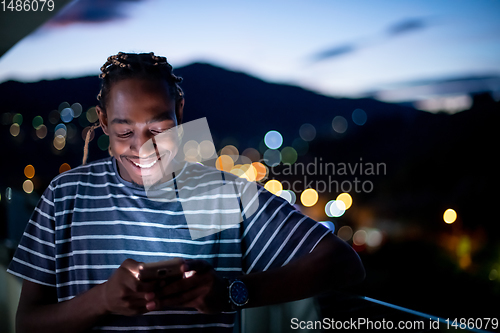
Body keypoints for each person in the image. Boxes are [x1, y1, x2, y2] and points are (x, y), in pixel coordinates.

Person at [7, 52, 365, 333]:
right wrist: (102, 299)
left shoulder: (210, 193)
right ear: (102, 121)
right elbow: (27, 325)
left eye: (158, 128)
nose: (143, 148)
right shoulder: (66, 196)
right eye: (124, 133)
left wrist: (230, 292)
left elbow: (343, 264)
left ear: (180, 111)